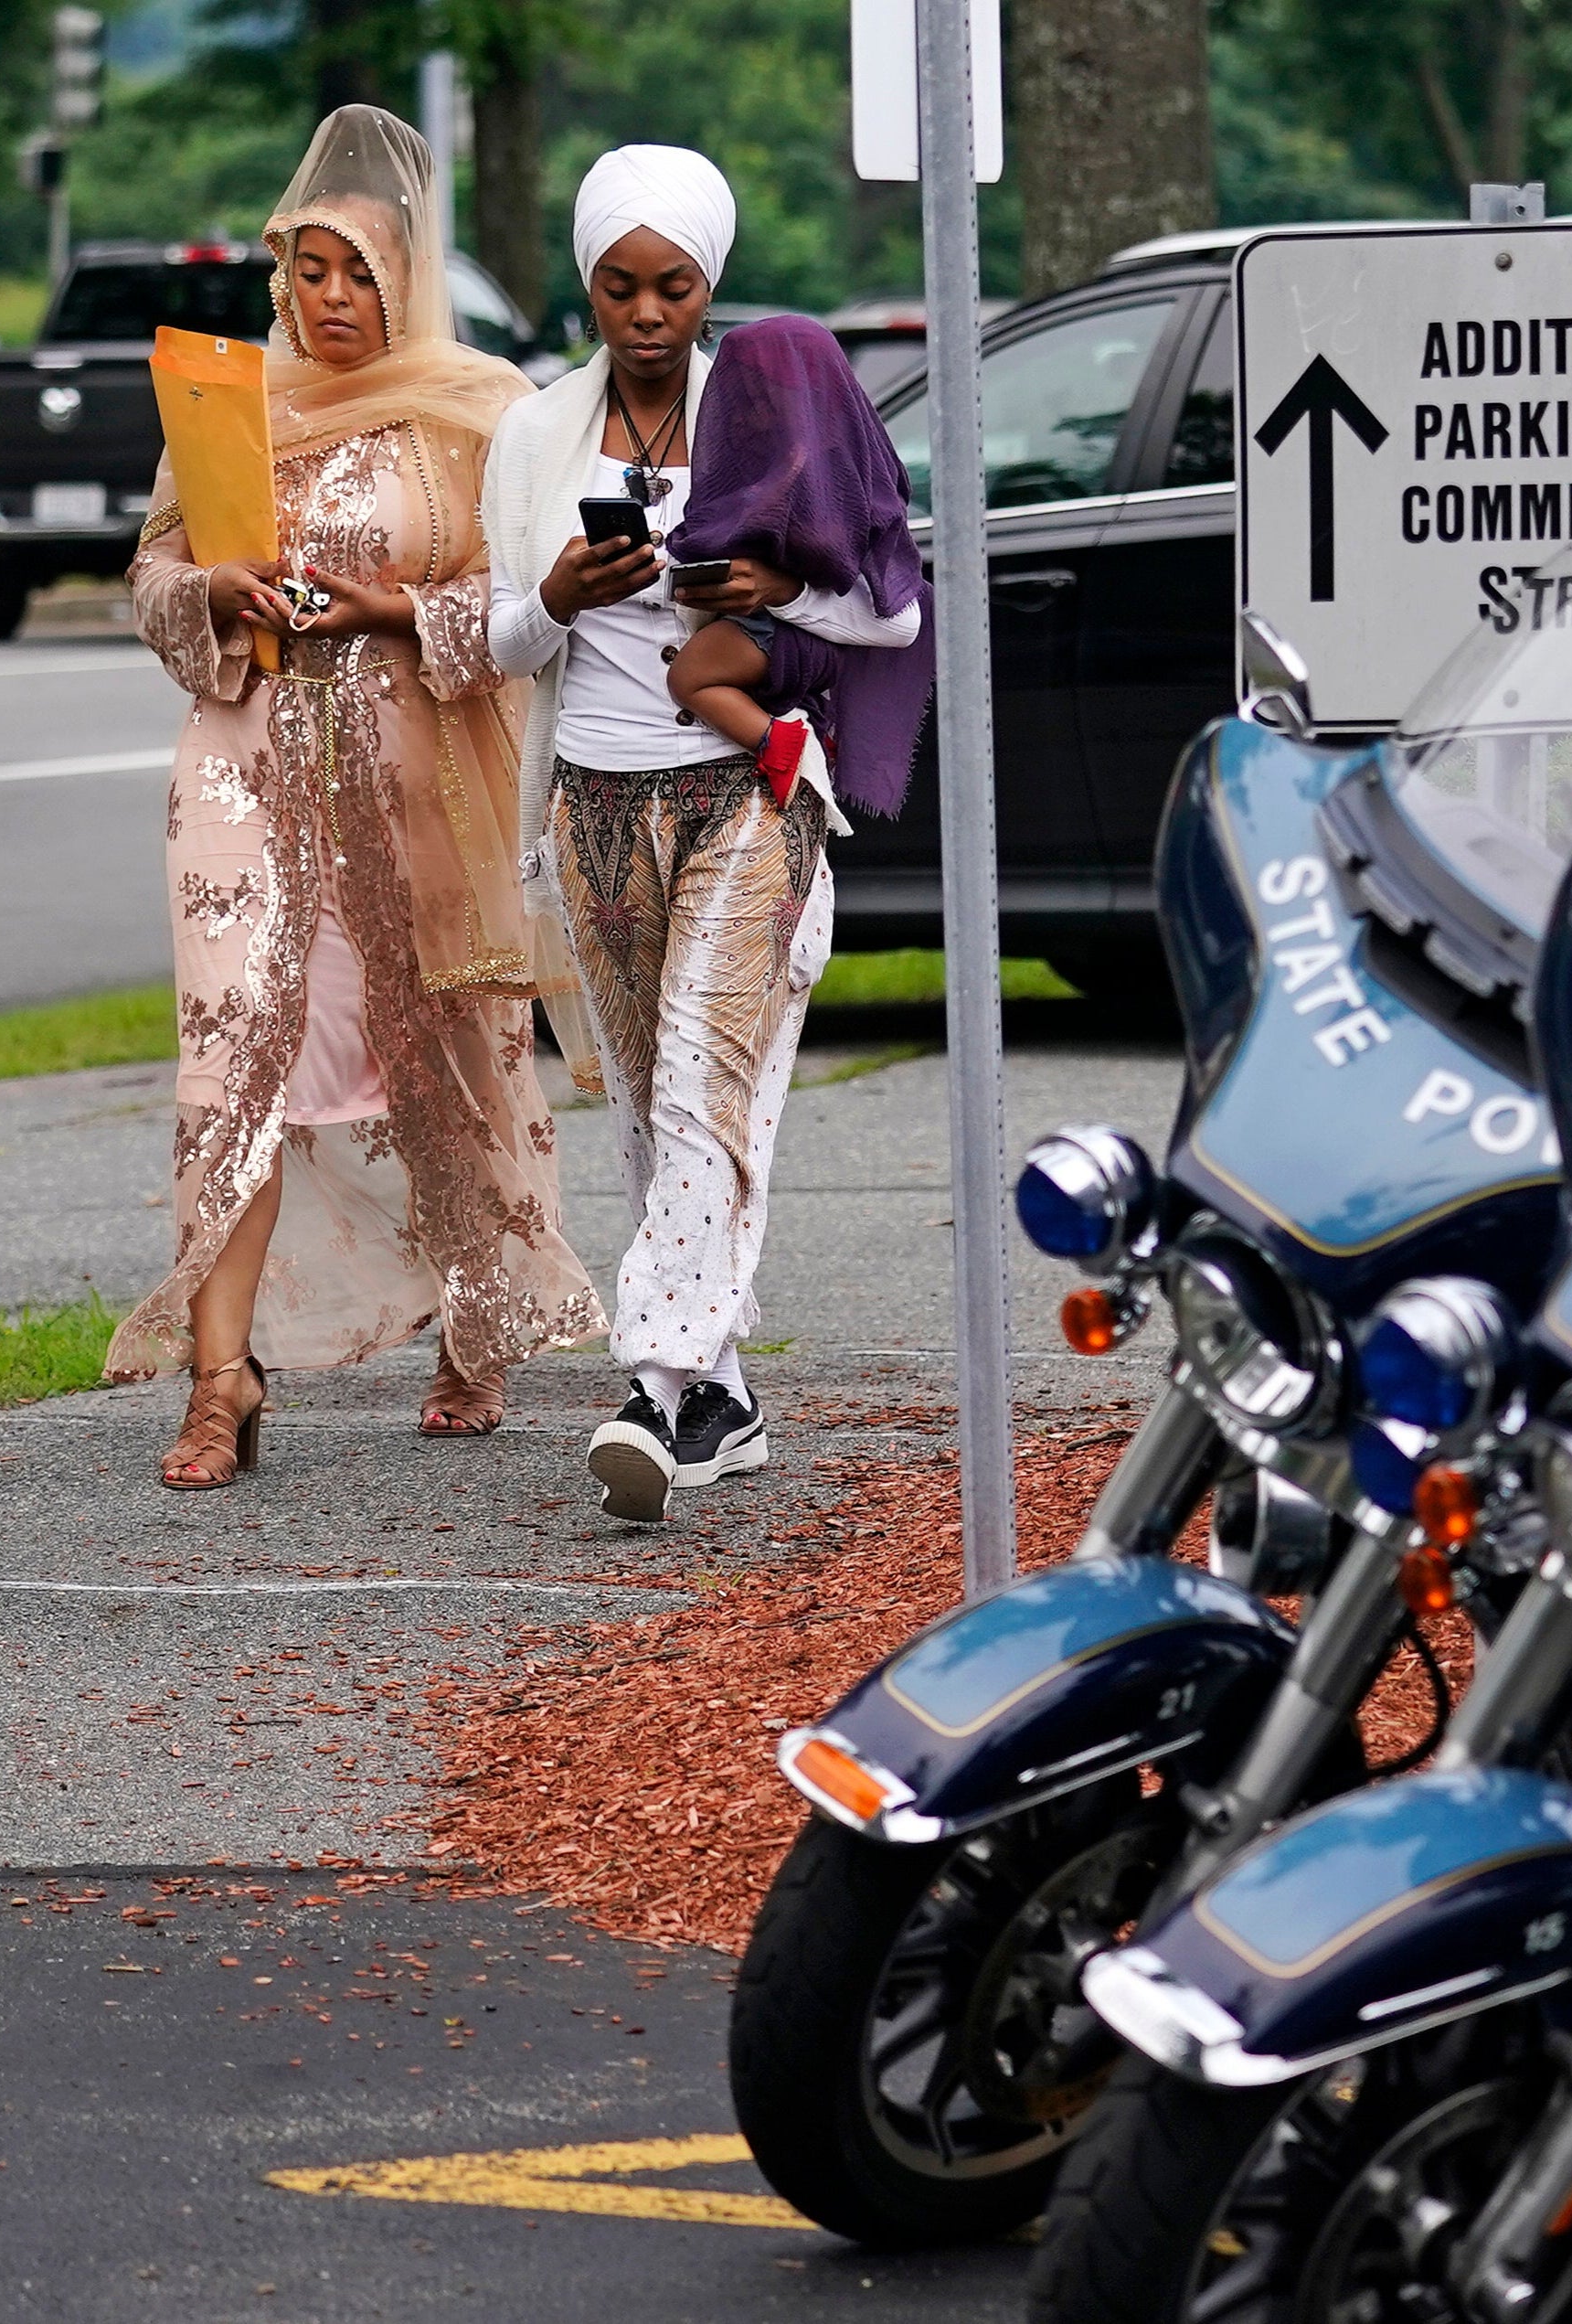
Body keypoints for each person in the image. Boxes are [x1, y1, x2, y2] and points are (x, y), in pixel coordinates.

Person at [105, 105, 603, 1485]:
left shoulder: (484, 409)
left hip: (415, 782)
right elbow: (149, 572)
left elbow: (526, 607)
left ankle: (479, 1316)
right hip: (244, 773)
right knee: (231, 1060)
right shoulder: (229, 399)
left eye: (360, 272)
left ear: (409, 274)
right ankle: (221, 1381)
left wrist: (392, 612)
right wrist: (209, 587)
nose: (331, 299)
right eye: (309, 269)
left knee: (448, 1047)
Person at [483, 147, 923, 1525]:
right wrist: (557, 591)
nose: (646, 313)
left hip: (745, 796)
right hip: (594, 802)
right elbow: (495, 646)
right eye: (618, 286)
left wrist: (780, 585)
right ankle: (722, 1395)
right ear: (586, 285)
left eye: (674, 286)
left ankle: (654, 1385)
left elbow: (893, 613)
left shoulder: (775, 401)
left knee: (700, 1086)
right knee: (641, 1110)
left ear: (710, 284)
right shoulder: (536, 433)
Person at [662, 314, 936, 802]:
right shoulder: (791, 461)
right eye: (737, 394)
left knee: (689, 675)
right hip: (780, 637)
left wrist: (780, 586)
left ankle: (782, 746)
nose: (745, 410)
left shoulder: (812, 474)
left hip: (781, 635)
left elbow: (900, 621)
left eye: (759, 394)